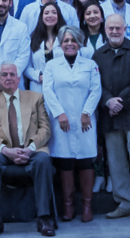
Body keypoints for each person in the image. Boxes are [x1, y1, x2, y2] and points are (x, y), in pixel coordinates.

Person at [0, 61, 58, 238]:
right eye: (4, 75)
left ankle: (44, 218)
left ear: (19, 79)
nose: (8, 78)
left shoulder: (36, 98)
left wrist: (29, 149)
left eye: (12, 74)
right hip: (4, 153)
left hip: (32, 151)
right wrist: (6, 150)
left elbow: (45, 130)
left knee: (43, 161)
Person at [94, 12, 130, 222]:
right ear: (105, 30)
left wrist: (119, 103)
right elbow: (96, 84)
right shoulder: (98, 55)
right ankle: (125, 204)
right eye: (111, 28)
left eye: (118, 28)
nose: (114, 31)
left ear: (125, 29)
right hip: (110, 116)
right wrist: (108, 101)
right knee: (116, 163)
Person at [42, 27, 101, 222]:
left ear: (80, 43)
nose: (69, 44)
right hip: (62, 121)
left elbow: (96, 90)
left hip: (85, 121)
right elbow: (48, 91)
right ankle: (68, 206)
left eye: (73, 40)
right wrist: (60, 114)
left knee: (86, 160)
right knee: (65, 161)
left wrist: (86, 113)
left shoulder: (90, 65)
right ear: (60, 44)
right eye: (66, 40)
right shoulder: (51, 65)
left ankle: (87, 206)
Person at [23, 1, 70, 92]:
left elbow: (73, 62)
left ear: (59, 16)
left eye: (54, 12)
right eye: (46, 13)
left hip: (62, 87)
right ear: (41, 17)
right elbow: (27, 66)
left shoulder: (67, 38)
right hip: (39, 87)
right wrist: (38, 76)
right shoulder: (33, 39)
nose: (50, 15)